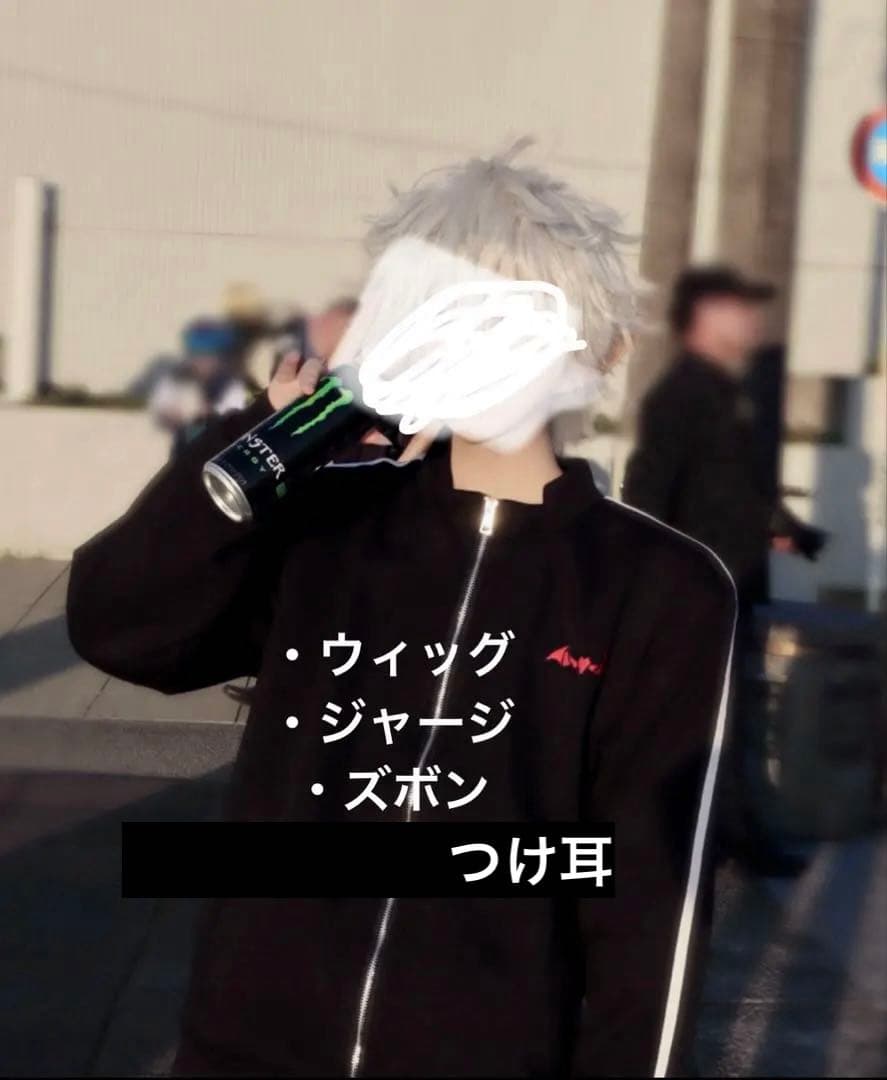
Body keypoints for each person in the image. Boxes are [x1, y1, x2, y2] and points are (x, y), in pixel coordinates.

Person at [67, 144, 736, 1078]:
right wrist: (264, 446)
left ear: (595, 349)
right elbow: (120, 627)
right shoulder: (328, 519)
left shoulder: (660, 585)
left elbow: (649, 902)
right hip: (244, 1048)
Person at [622, 266, 824, 875]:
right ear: (705, 316)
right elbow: (649, 492)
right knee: (712, 717)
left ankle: (726, 834)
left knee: (729, 713)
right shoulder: (679, 395)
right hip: (702, 588)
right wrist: (663, 586)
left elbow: (734, 490)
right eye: (740, 308)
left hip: (731, 581)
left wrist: (788, 532)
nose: (753, 322)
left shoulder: (719, 393)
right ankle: (716, 837)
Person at [148, 318, 256, 458]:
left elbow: (237, 419)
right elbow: (161, 411)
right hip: (184, 448)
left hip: (218, 451)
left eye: (209, 358)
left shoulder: (233, 385)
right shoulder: (177, 378)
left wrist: (210, 414)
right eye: (197, 357)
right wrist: (173, 416)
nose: (202, 363)